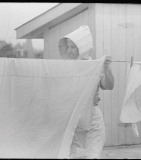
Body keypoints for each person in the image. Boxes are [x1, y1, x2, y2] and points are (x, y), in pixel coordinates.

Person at [58, 25, 114, 159]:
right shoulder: (64, 67)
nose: (69, 51)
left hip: (93, 122)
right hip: (71, 120)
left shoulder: (95, 65)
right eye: (68, 47)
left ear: (83, 47)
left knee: (92, 156)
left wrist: (106, 68)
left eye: (73, 47)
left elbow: (109, 86)